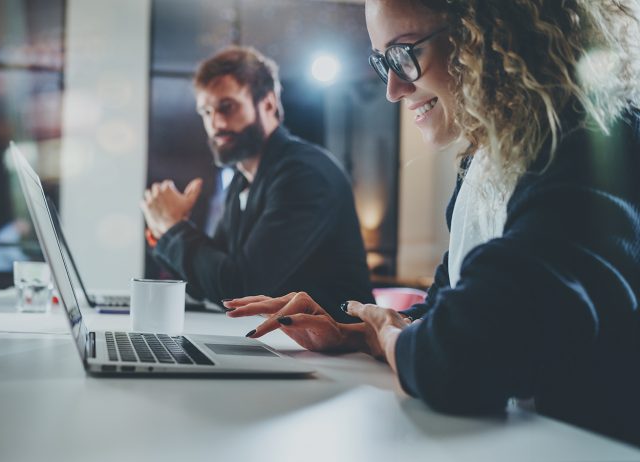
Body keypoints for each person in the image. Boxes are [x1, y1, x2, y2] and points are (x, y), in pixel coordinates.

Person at [225, 0, 640, 446]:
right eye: (383, 61)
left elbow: (464, 359)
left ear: (491, 32)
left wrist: (389, 334)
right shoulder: (486, 159)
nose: (392, 89)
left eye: (404, 54)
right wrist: (360, 333)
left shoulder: (598, 146)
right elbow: (448, 308)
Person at [140, 46, 373, 321]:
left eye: (227, 107)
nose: (215, 123)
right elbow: (209, 280)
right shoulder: (241, 181)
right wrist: (164, 229)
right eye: (206, 112)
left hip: (342, 351)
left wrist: (174, 228)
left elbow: (241, 291)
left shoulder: (303, 175)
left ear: (268, 104)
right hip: (283, 342)